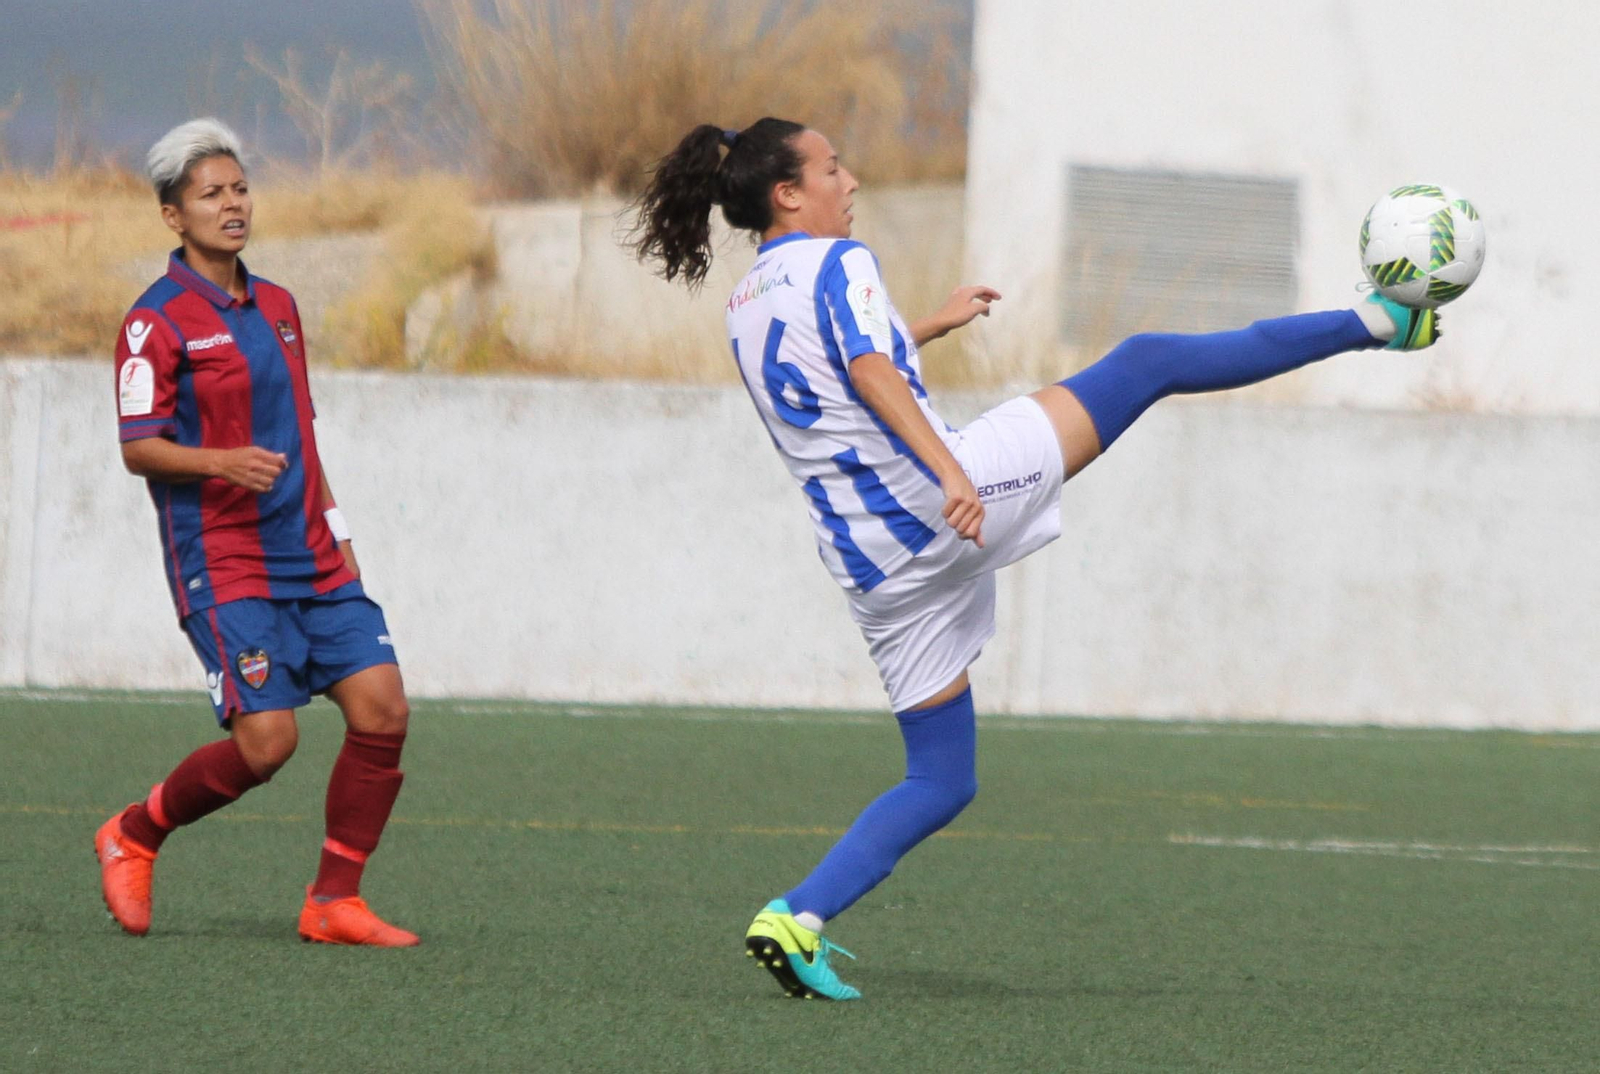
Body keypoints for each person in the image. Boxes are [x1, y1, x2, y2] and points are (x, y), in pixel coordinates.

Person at [632, 118, 1440, 1000]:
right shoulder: (840, 263)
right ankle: (1379, 321)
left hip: (874, 572)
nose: (851, 179)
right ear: (789, 193)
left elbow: (839, 379)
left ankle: (797, 916)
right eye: (832, 166)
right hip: (942, 505)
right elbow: (866, 369)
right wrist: (952, 473)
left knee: (942, 778)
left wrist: (929, 326)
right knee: (1147, 362)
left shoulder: (747, 304)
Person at [97, 118, 418, 947]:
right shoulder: (154, 320)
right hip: (224, 558)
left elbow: (303, 431)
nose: (232, 205)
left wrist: (338, 527)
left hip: (310, 551)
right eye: (212, 194)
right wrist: (219, 463)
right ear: (174, 215)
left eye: (239, 189)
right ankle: (135, 833)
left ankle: (333, 901)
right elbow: (138, 447)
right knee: (268, 742)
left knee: (382, 709)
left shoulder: (277, 305)